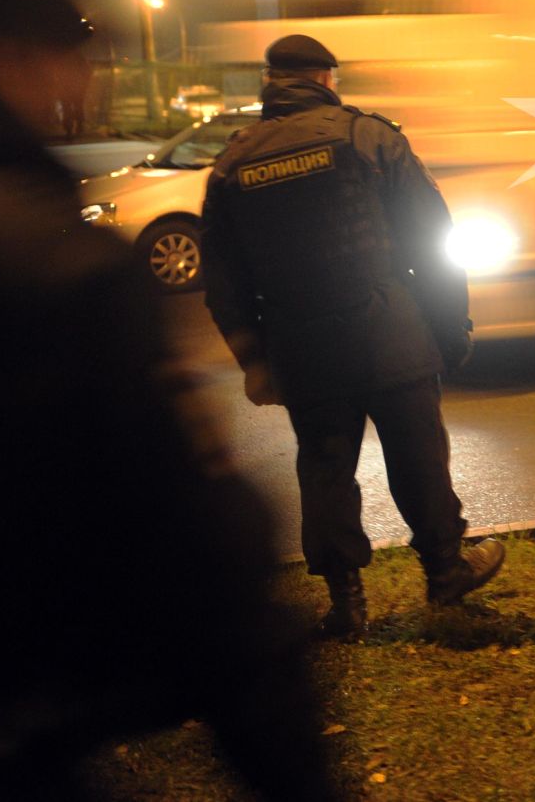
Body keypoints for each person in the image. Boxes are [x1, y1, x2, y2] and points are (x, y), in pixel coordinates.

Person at [0, 0, 337, 800]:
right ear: (16, 55)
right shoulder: (44, 264)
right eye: (78, 52)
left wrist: (253, 347)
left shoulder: (231, 162)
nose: (84, 80)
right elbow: (201, 566)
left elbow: (221, 265)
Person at [202, 34, 505, 637]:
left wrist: (254, 361)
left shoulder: (233, 164)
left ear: (271, 81)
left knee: (324, 466)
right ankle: (446, 575)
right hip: (389, 330)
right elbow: (430, 239)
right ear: (326, 78)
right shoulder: (368, 137)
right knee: (418, 455)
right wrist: (451, 326)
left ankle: (347, 604)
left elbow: (224, 282)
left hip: (301, 345)